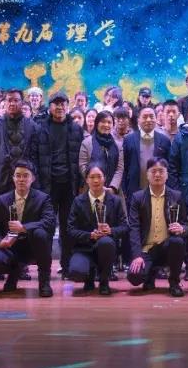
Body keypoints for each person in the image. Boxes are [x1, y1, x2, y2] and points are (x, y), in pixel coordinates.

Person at [0, 160, 56, 297]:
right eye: (18, 175)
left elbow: (49, 222)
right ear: (13, 178)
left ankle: (44, 281)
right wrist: (0, 242)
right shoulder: (1, 201)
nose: (21, 179)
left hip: (35, 245)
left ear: (33, 178)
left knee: (40, 234)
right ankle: (13, 274)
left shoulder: (43, 199)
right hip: (11, 246)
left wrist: (24, 228)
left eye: (25, 176)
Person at [126, 157, 187, 297]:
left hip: (167, 248)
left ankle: (174, 283)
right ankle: (150, 273)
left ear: (167, 174)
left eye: (161, 171)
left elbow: (187, 224)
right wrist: (137, 255)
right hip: (146, 249)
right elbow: (134, 228)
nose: (157, 175)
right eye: (153, 171)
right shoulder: (137, 198)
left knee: (177, 241)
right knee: (134, 277)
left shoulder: (177, 196)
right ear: (147, 175)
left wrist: (182, 228)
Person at [40, 94, 84, 278]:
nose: (59, 107)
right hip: (47, 185)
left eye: (62, 104)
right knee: (47, 227)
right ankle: (45, 269)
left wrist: (80, 183)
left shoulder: (76, 128)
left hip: (69, 185)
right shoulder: (41, 128)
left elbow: (81, 158)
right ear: (49, 107)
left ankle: (67, 266)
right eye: (55, 104)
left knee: (68, 228)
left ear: (68, 106)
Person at [68, 165, 129, 295]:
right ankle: (88, 278)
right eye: (92, 177)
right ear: (86, 180)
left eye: (99, 177)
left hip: (106, 247)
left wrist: (111, 231)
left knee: (105, 242)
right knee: (76, 272)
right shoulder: (78, 201)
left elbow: (125, 227)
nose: (96, 180)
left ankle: (104, 281)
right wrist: (90, 235)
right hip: (84, 248)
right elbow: (71, 230)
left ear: (104, 178)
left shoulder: (115, 201)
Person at [0, 89, 48, 196]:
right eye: (9, 100)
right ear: (4, 103)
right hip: (1, 179)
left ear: (22, 102)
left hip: (26, 182)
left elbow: (37, 158)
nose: (12, 103)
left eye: (16, 100)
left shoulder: (33, 126)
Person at [79, 110, 124, 192]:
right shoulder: (87, 143)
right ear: (97, 123)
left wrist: (112, 187)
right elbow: (83, 166)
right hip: (91, 188)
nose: (106, 125)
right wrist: (95, 182)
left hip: (112, 191)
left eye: (109, 122)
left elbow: (119, 169)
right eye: (103, 122)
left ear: (113, 125)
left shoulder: (118, 145)